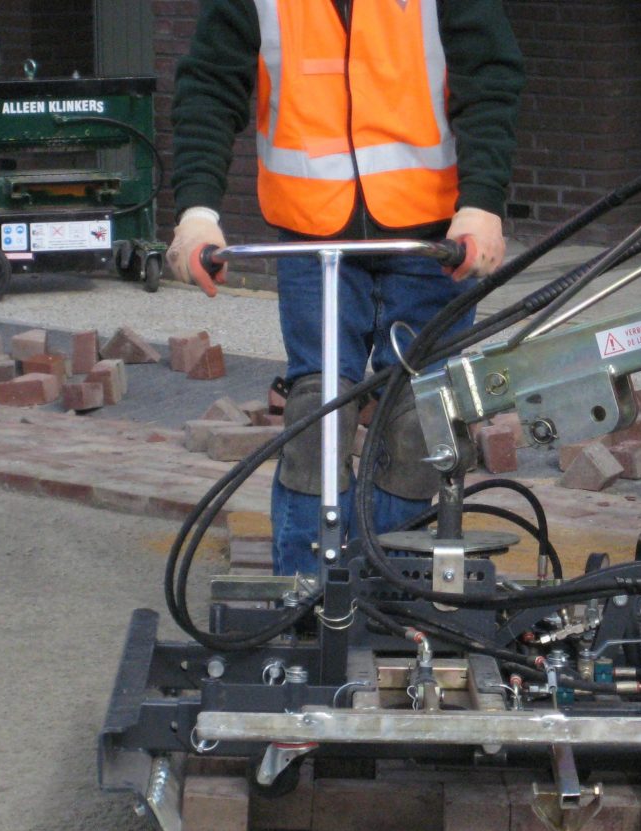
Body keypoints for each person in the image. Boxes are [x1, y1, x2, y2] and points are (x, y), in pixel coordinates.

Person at [165, 0, 524, 576]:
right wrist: (198, 211)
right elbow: (210, 84)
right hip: (314, 232)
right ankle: (306, 595)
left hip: (433, 233)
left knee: (416, 423)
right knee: (319, 414)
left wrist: (482, 202)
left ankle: (388, 584)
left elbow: (490, 74)